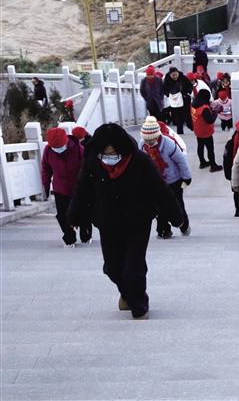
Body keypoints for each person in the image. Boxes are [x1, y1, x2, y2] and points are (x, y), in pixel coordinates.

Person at [67, 123, 183, 319]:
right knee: (112, 267)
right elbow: (82, 190)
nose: (109, 158)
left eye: (113, 153)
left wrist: (175, 216)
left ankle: (139, 305)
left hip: (138, 222)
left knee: (133, 268)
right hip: (107, 222)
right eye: (105, 154)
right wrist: (74, 216)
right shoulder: (93, 163)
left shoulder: (140, 162)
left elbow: (159, 190)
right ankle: (126, 292)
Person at [138, 116, 192, 239]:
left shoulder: (168, 144)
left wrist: (186, 177)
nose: (149, 143)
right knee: (158, 207)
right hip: (154, 182)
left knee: (178, 205)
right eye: (147, 140)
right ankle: (163, 230)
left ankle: (183, 225)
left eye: (152, 140)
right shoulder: (142, 145)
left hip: (173, 181)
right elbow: (139, 163)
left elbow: (181, 161)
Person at [41, 127, 91, 247]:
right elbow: (45, 169)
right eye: (55, 148)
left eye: (60, 147)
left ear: (65, 142)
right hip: (60, 188)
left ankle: (86, 234)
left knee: (83, 213)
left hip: (79, 188)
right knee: (62, 215)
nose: (58, 150)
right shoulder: (48, 150)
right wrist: (46, 185)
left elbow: (88, 168)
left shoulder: (78, 149)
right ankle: (69, 238)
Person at [190, 89, 223, 172]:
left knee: (200, 146)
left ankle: (202, 162)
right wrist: (216, 112)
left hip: (197, 129)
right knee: (210, 149)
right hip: (205, 131)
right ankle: (213, 165)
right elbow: (210, 120)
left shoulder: (194, 104)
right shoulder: (204, 108)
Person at [163, 68, 193, 134]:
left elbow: (190, 86)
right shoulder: (167, 79)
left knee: (187, 114)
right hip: (174, 100)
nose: (175, 77)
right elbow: (164, 89)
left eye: (176, 75)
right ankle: (180, 131)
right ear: (170, 75)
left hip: (184, 98)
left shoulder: (183, 77)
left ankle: (191, 126)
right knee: (178, 116)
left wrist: (187, 93)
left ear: (178, 73)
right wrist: (169, 95)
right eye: (173, 75)